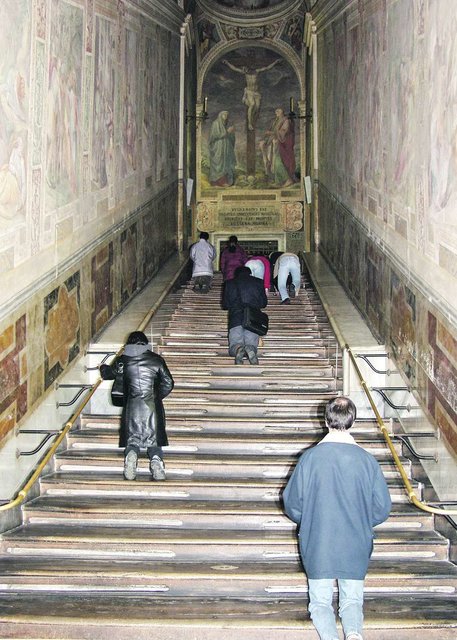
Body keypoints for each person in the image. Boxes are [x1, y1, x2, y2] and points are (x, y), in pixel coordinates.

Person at [283, 396, 391, 640]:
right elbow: (382, 507)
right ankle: (354, 634)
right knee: (352, 600)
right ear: (353, 421)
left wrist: (310, 519)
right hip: (355, 541)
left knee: (320, 602)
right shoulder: (367, 461)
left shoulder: (309, 458)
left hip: (319, 540)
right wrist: (362, 520)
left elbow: (292, 504)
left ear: (325, 420)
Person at [100, 331, 174, 481]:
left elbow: (108, 374)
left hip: (131, 407)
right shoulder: (156, 360)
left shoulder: (123, 360)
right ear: (146, 344)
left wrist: (102, 367)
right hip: (152, 406)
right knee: (153, 439)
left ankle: (131, 456)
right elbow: (168, 383)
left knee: (132, 438)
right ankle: (156, 461)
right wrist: (156, 396)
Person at [222, 265, 267, 365]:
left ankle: (238, 349)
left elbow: (225, 304)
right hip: (253, 318)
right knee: (251, 343)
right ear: (250, 273)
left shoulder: (229, 283)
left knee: (235, 344)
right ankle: (250, 348)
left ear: (236, 274)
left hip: (235, 318)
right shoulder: (258, 282)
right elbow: (264, 303)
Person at [222, 58, 281, 130]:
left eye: (245, 69)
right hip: (249, 92)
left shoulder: (256, 71)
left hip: (256, 92)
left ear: (248, 68)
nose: (244, 71)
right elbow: (234, 68)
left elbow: (267, 68)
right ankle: (249, 123)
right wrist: (227, 62)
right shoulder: (245, 73)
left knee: (257, 107)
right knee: (252, 104)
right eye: (243, 70)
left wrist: (275, 62)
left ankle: (252, 119)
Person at [259, 107, 297, 186]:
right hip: (275, 144)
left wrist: (272, 133)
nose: (276, 113)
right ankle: (280, 181)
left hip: (283, 145)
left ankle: (288, 179)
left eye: (278, 111)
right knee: (273, 162)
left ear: (282, 112)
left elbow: (283, 132)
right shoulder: (276, 122)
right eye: (276, 111)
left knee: (277, 162)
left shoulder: (286, 120)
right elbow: (274, 132)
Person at [209, 110, 236, 186]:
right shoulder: (216, 124)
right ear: (220, 116)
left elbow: (229, 137)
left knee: (225, 163)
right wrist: (227, 132)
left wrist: (231, 133)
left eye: (227, 115)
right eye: (224, 115)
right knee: (219, 163)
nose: (226, 117)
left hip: (225, 148)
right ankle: (217, 181)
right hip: (218, 147)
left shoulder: (225, 125)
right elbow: (215, 136)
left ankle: (225, 181)